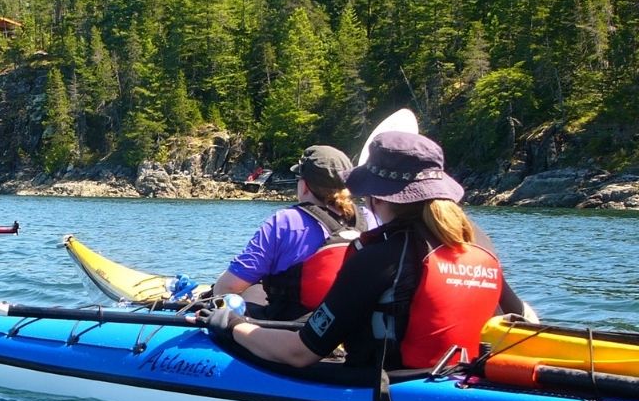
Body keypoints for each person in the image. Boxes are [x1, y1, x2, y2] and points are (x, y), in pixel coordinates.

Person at [204, 131, 532, 370]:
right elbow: (524, 319)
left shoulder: (377, 257)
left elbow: (299, 353)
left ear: (376, 196)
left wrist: (233, 325)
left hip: (392, 386)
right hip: (459, 375)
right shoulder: (475, 239)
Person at [211, 145, 374, 320]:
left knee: (250, 289)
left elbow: (227, 288)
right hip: (352, 327)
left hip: (293, 330)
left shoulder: (285, 221)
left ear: (304, 186)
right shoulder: (369, 219)